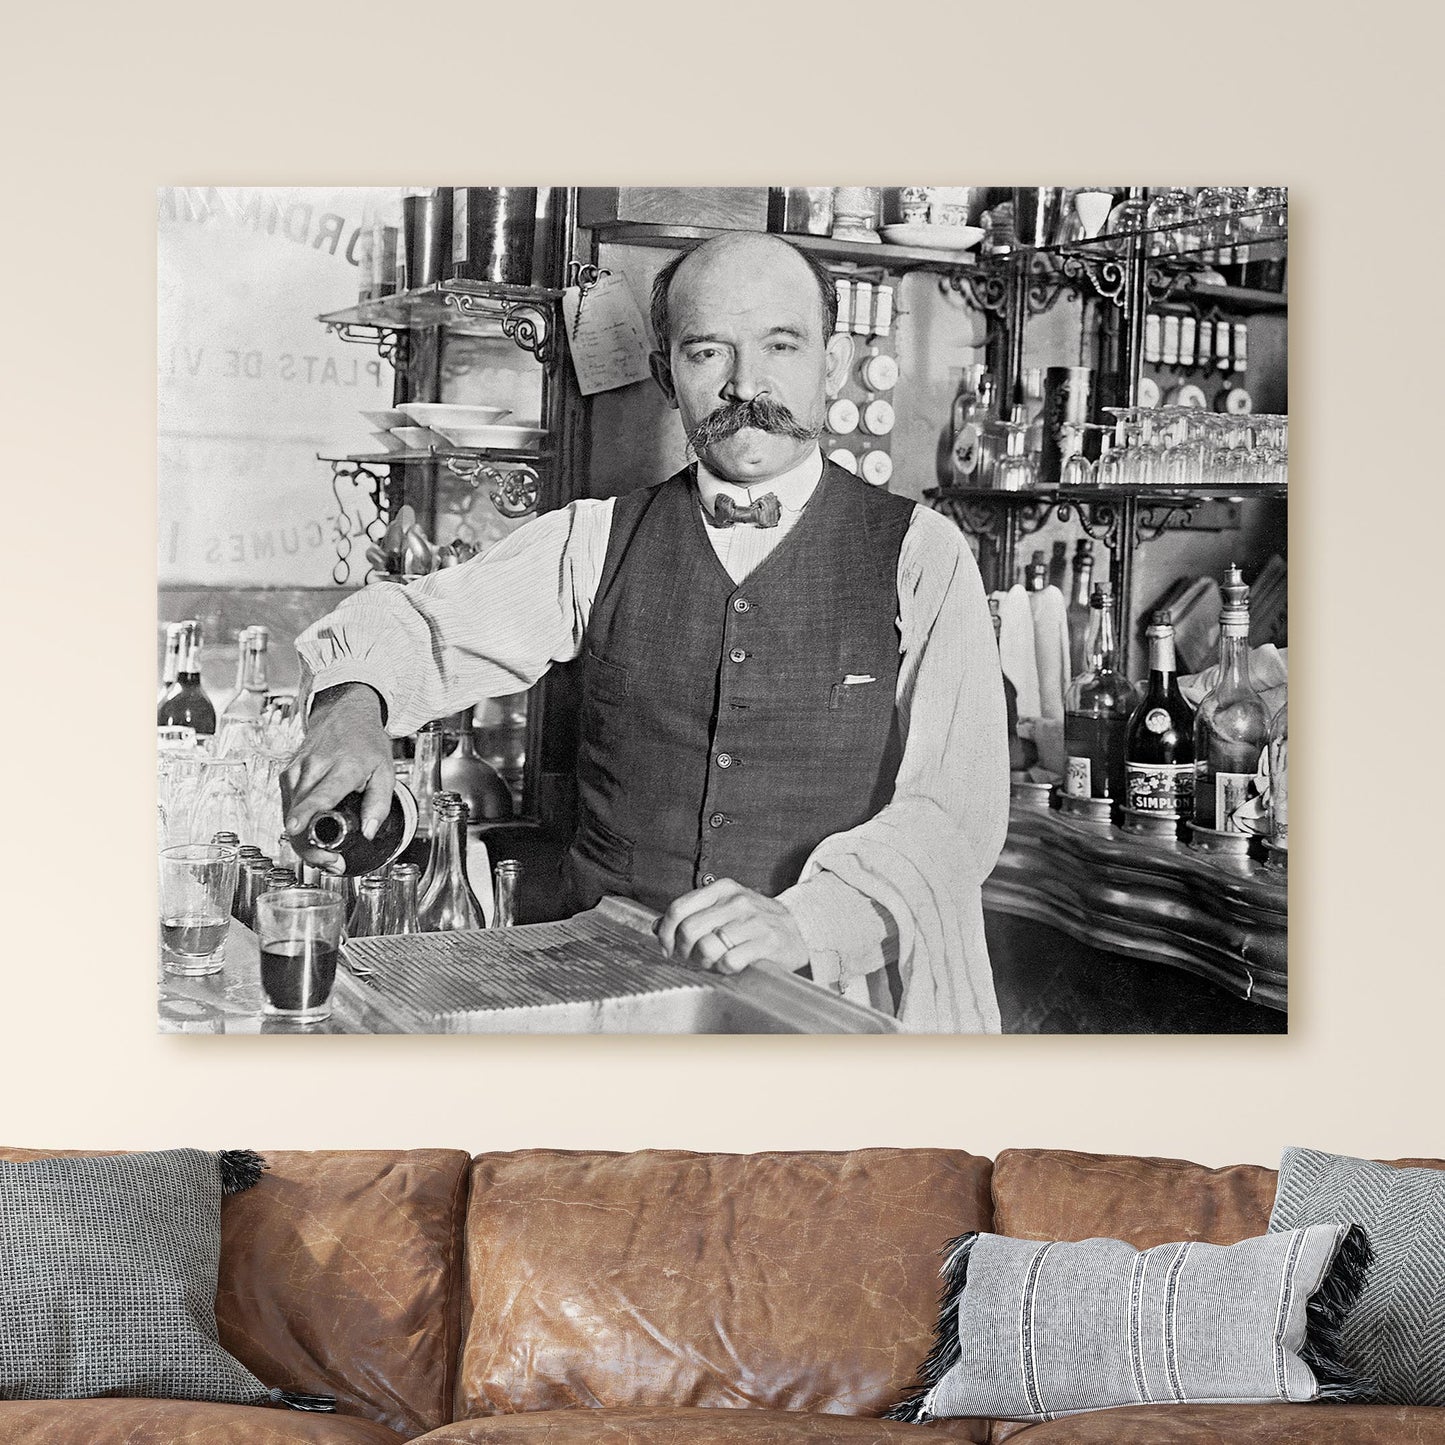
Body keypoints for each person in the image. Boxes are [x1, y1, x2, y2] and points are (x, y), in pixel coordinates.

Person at [288, 232, 1009, 1031]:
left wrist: (805, 919)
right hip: (605, 991)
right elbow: (422, 624)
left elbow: (953, 813)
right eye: (707, 352)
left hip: (815, 1004)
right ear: (668, 375)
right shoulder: (594, 540)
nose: (747, 383)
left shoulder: (920, 552)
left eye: (781, 343)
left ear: (830, 365)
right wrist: (354, 701)